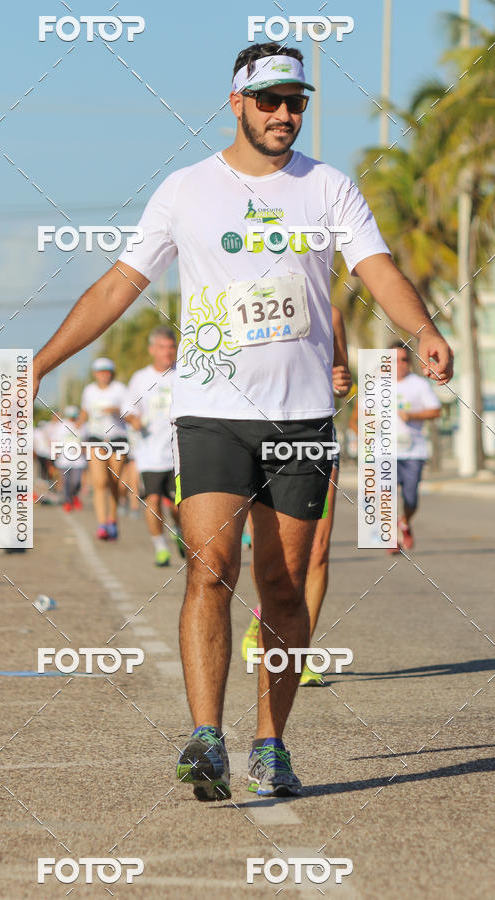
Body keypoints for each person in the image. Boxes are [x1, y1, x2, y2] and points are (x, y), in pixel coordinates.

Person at [33, 42, 453, 801]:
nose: (284, 114)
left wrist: (419, 328)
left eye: (296, 102)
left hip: (301, 418)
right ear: (236, 104)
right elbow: (118, 285)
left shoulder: (327, 187)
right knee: (209, 567)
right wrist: (39, 361)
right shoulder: (187, 190)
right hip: (213, 412)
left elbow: (377, 268)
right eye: (269, 101)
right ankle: (204, 737)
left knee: (284, 588)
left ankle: (270, 744)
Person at [241, 306, 352, 687]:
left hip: (314, 438)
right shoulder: (247, 302)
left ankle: (298, 652)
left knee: (318, 548)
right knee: (271, 549)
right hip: (256, 437)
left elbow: (343, 378)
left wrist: (342, 380)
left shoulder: (331, 313)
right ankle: (267, 615)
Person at [123, 326, 186, 566]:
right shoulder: (141, 378)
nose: (167, 352)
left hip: (179, 453)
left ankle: (179, 532)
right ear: (152, 350)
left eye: (171, 347)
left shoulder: (182, 374)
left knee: (180, 506)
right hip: (150, 453)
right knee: (153, 500)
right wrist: (134, 419)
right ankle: (160, 546)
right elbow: (128, 409)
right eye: (162, 347)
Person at [393, 340, 441, 551]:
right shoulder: (374, 385)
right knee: (384, 495)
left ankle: (404, 521)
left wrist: (411, 415)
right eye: (395, 360)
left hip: (414, 451)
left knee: (411, 499)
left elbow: (435, 411)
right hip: (382, 452)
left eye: (404, 359)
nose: (400, 363)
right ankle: (392, 538)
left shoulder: (419, 385)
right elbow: (357, 417)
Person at [78, 358, 129, 540]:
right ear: (95, 373)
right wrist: (78, 424)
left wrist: (115, 410)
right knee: (99, 482)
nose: (103, 374)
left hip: (117, 438)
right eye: (100, 371)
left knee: (114, 481)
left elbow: (129, 412)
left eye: (107, 371)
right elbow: (85, 410)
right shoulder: (89, 390)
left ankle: (112, 519)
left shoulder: (120, 389)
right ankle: (101, 524)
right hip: (96, 438)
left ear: (112, 372)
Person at [50, 405, 86, 512]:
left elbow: (85, 441)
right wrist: (55, 454)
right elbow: (54, 440)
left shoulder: (82, 426)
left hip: (79, 460)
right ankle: (67, 501)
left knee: (76, 482)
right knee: (66, 482)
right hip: (64, 459)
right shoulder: (61, 426)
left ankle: (74, 496)